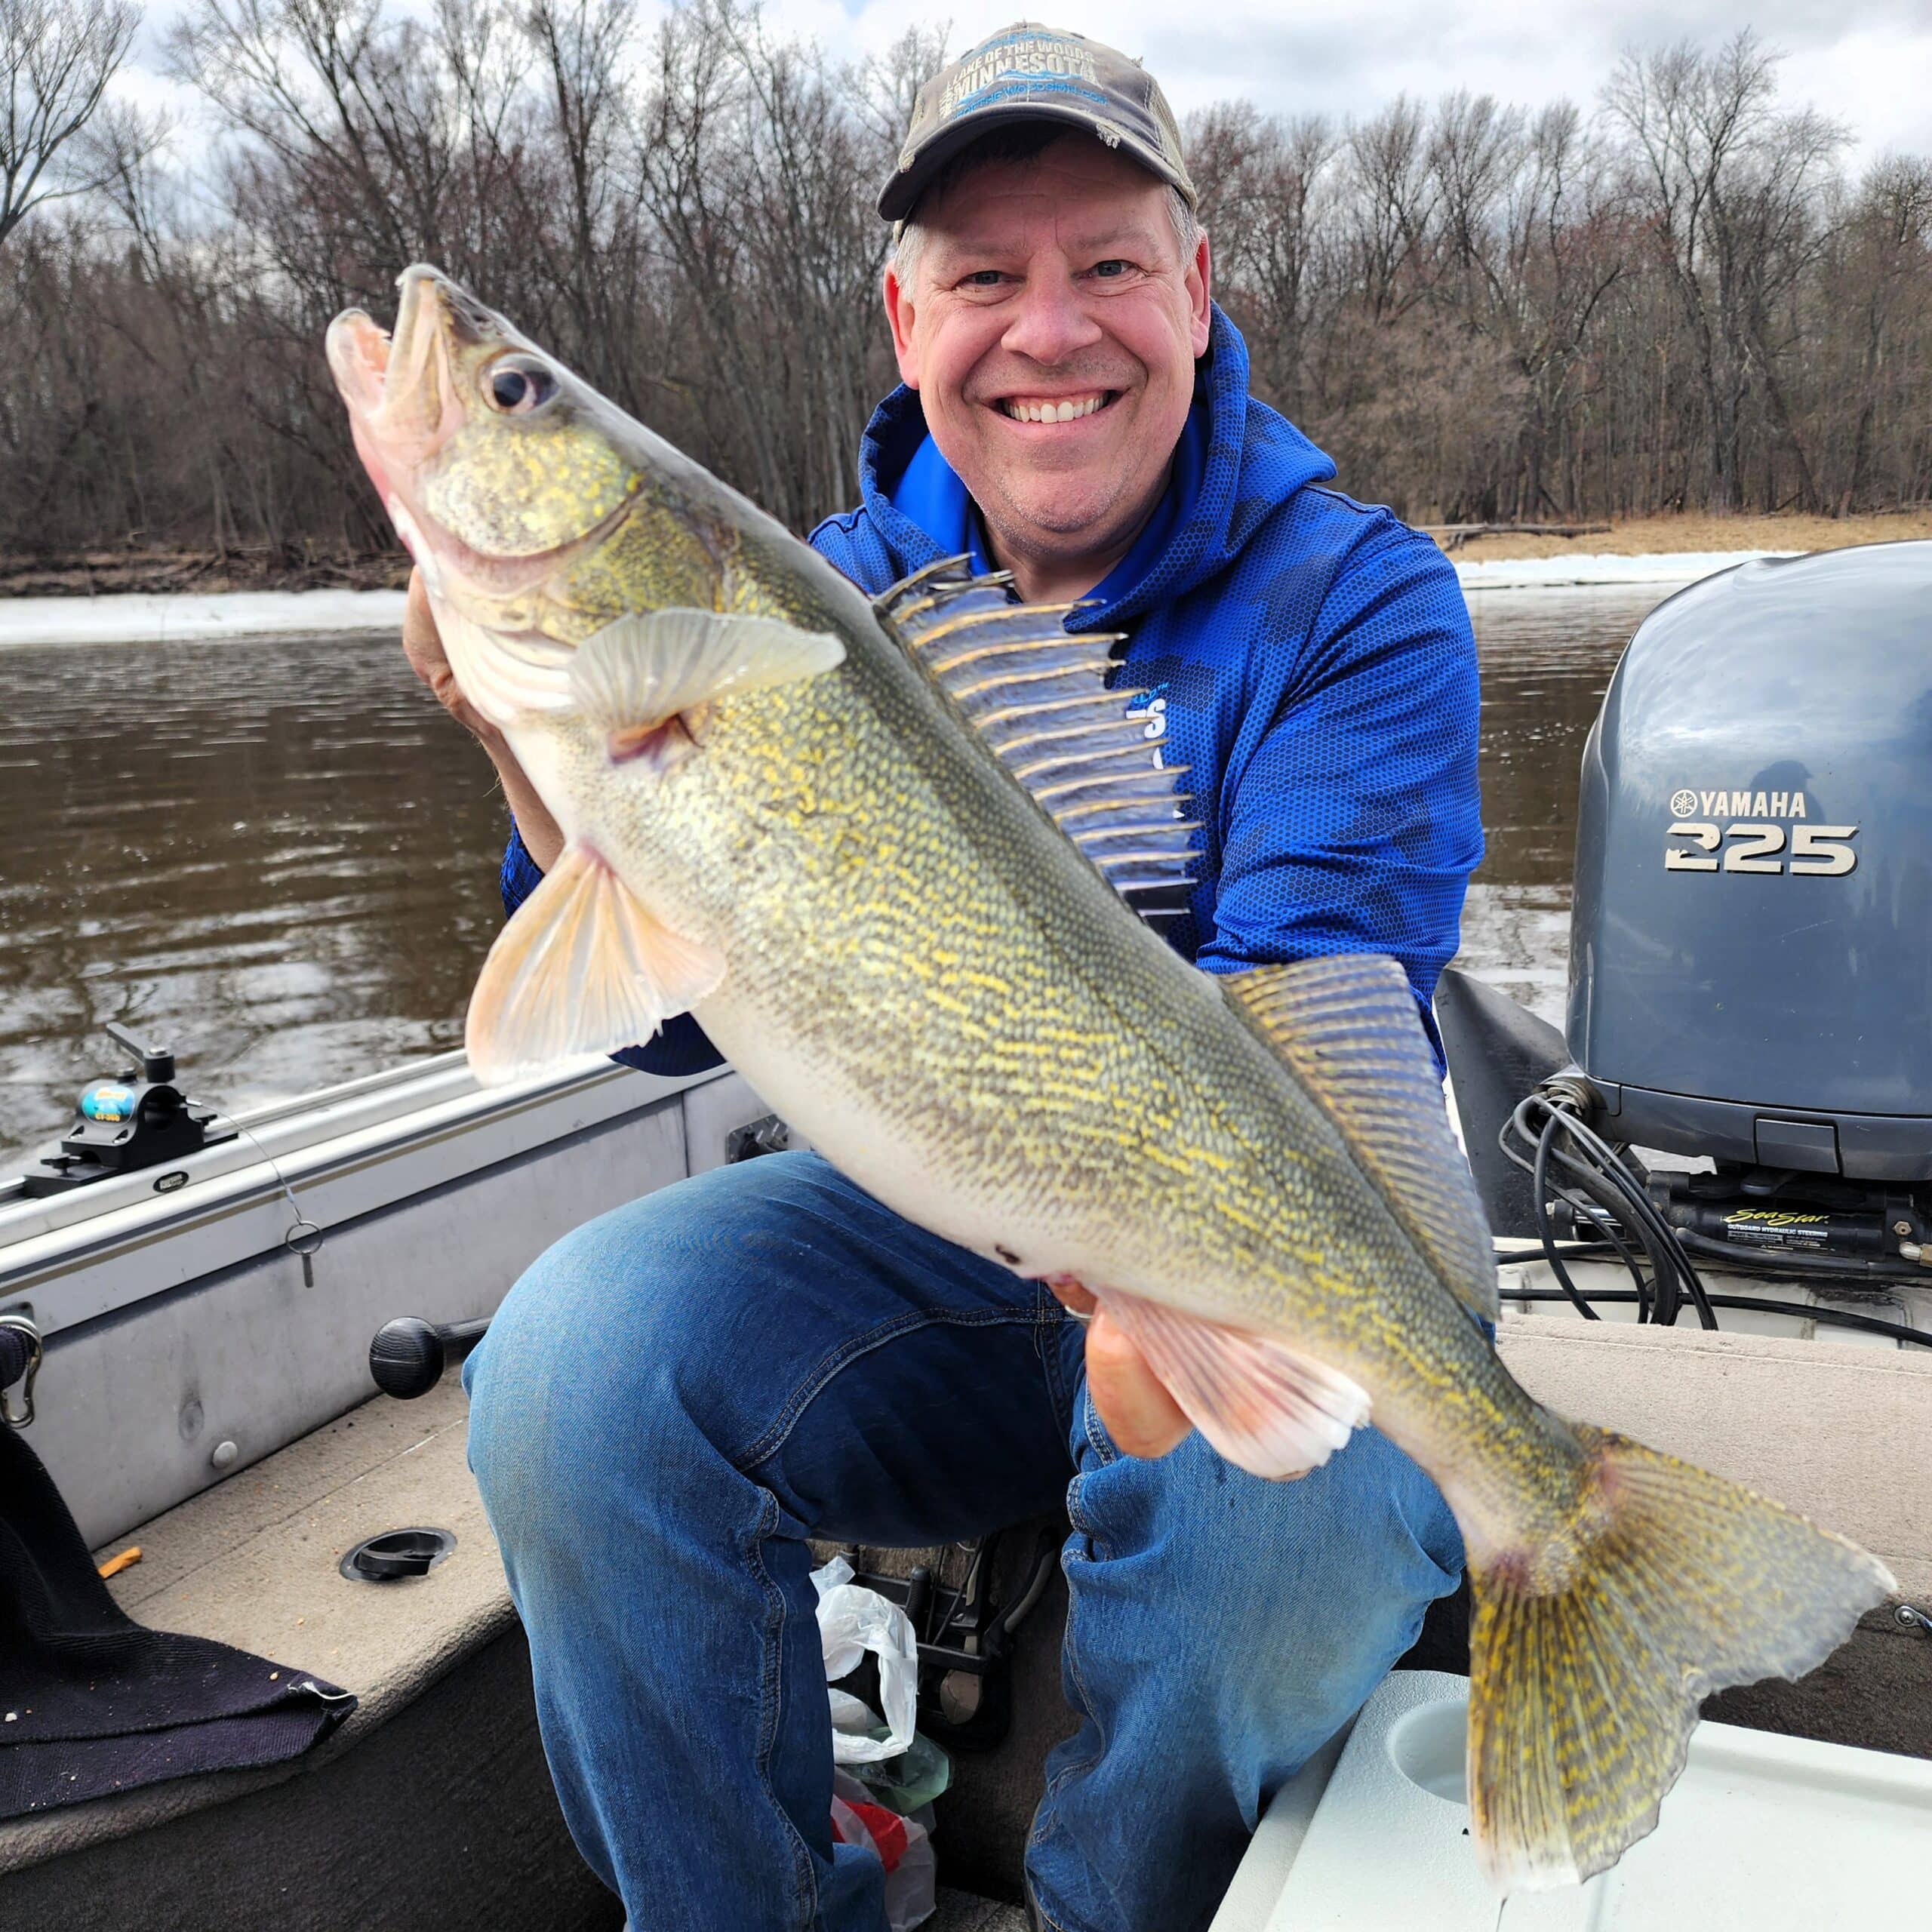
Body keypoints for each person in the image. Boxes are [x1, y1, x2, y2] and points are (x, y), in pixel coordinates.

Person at [410, 24, 1483, 1930]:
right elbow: (657, 1014)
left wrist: (1154, 1274)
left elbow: (1313, 1012)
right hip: (938, 1208)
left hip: (1242, 1219)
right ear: (904, 317)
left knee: (1273, 1547)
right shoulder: (815, 602)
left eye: (1105, 266)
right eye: (984, 276)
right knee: (571, 1363)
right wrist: (532, 735)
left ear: (1195, 289)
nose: (1046, 330)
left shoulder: (1356, 595)